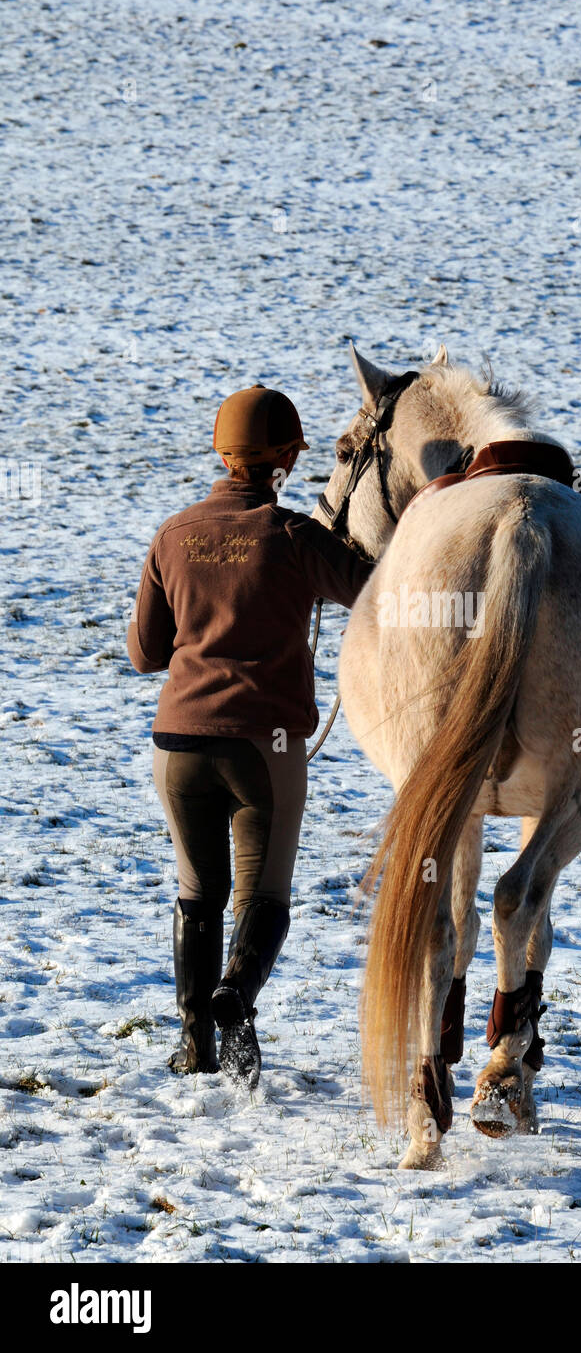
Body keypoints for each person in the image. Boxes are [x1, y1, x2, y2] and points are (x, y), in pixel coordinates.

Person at [127, 385, 372, 1087]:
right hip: (264, 749)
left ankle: (194, 1043)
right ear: (287, 459)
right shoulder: (295, 536)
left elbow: (144, 654)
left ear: (222, 453)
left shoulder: (172, 534)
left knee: (196, 893)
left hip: (176, 743)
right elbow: (374, 590)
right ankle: (237, 998)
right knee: (264, 898)